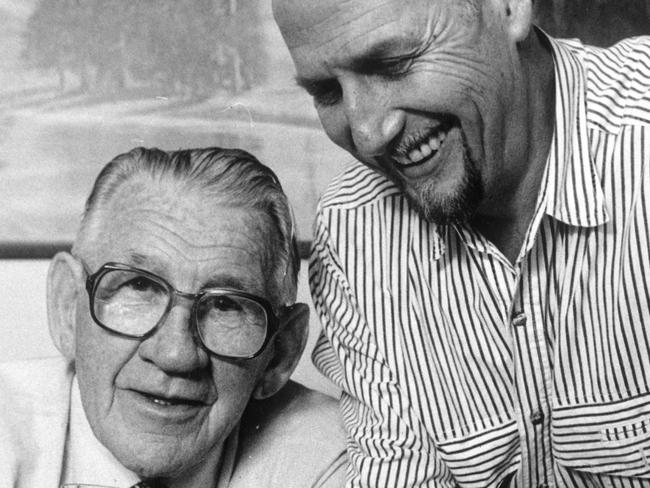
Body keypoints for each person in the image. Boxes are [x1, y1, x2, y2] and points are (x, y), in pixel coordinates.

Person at [273, 0, 650, 486]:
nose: (367, 135)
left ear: (509, 8)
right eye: (327, 92)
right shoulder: (354, 231)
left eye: (393, 64)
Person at [0, 147, 346, 488]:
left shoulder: (340, 459)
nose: (176, 355)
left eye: (225, 304)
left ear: (280, 353)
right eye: (139, 286)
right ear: (67, 307)